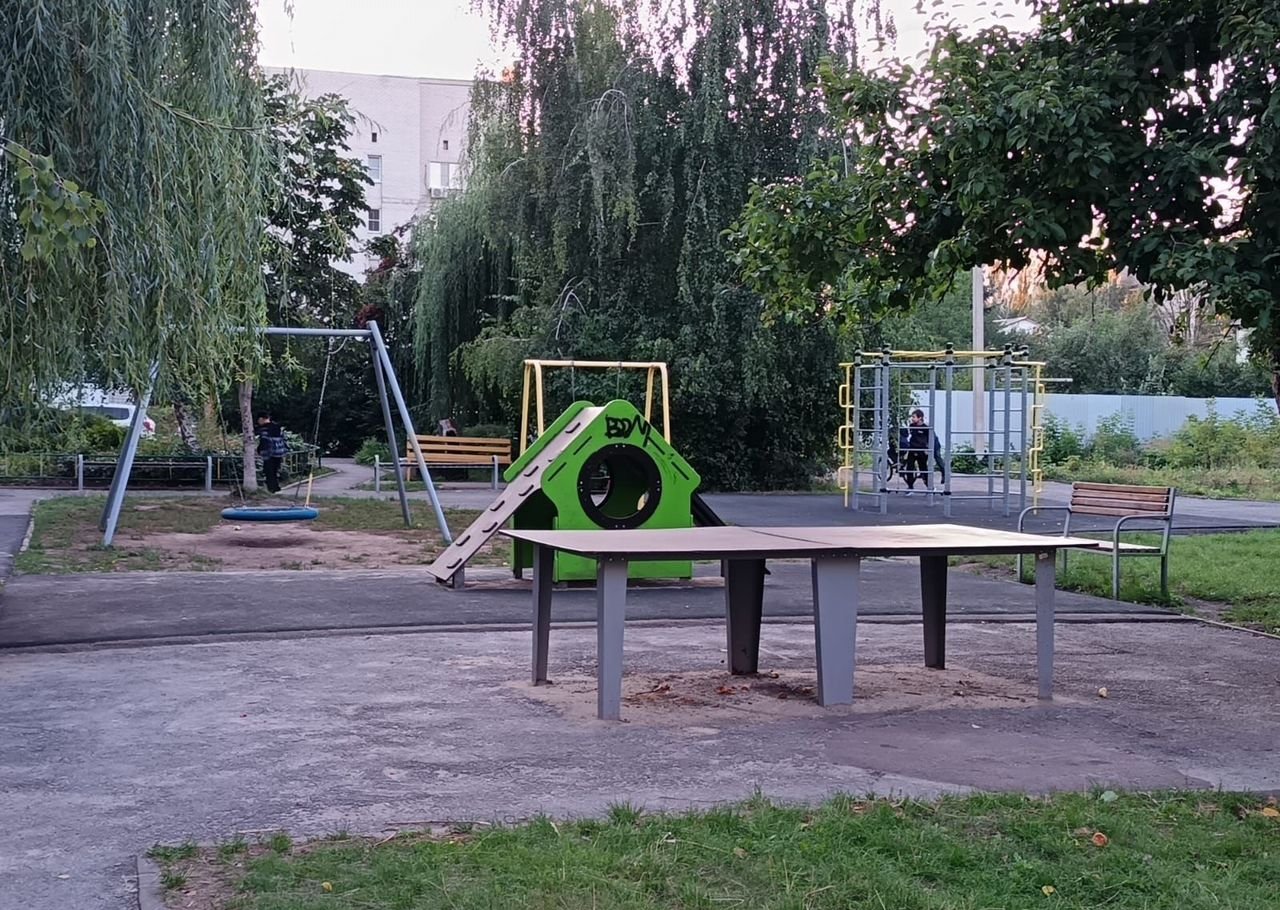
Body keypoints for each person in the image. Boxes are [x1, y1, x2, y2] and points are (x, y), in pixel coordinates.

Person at [901, 409, 945, 494]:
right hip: (912, 449)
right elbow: (910, 435)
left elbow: (930, 439)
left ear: (920, 418)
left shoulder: (926, 428)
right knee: (909, 468)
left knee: (923, 469)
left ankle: (930, 487)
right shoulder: (912, 426)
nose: (912, 418)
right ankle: (910, 487)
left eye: (914, 417)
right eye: (912, 417)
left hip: (921, 451)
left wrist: (927, 449)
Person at [255, 412, 288, 494]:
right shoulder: (277, 427)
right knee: (274, 470)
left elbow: (264, 441)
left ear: (261, 419)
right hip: (279, 452)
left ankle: (271, 489)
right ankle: (276, 487)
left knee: (268, 471)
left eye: (258, 420)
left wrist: (259, 450)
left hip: (269, 453)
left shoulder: (264, 429)